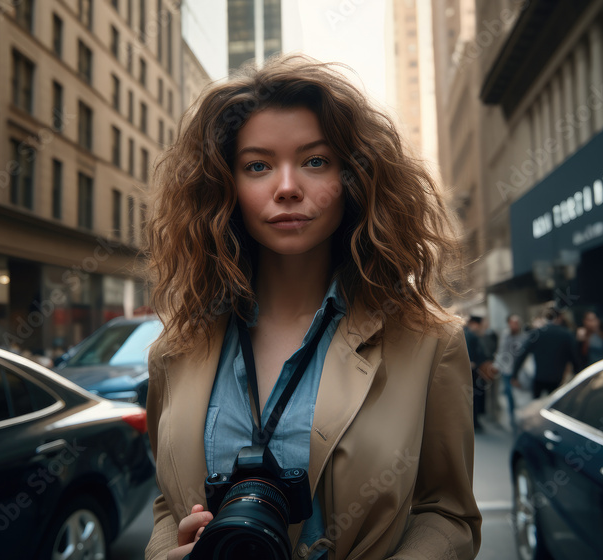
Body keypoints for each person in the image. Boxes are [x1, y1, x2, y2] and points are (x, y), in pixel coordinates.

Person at [143, 55, 481, 560]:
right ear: (225, 187)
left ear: (354, 178)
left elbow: (448, 514)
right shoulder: (175, 348)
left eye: (314, 161)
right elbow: (168, 506)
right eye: (257, 166)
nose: (286, 187)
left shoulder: (429, 342)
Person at [511, 308, 582, 398]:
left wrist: (514, 375)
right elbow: (574, 358)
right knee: (554, 404)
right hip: (557, 379)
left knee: (536, 404)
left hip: (539, 378)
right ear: (559, 318)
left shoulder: (537, 334)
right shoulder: (567, 335)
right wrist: (578, 375)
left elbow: (522, 354)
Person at [494, 314, 528, 430]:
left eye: (516, 323)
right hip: (506, 370)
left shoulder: (524, 337)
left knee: (520, 395)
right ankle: (512, 417)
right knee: (509, 394)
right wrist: (497, 365)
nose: (514, 325)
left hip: (519, 371)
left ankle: (522, 418)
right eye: (512, 323)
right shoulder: (505, 335)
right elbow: (501, 350)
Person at [464, 316, 495, 432]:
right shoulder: (470, 335)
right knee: (474, 396)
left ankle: (474, 421)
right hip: (474, 369)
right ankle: (474, 422)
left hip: (475, 369)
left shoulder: (470, 334)